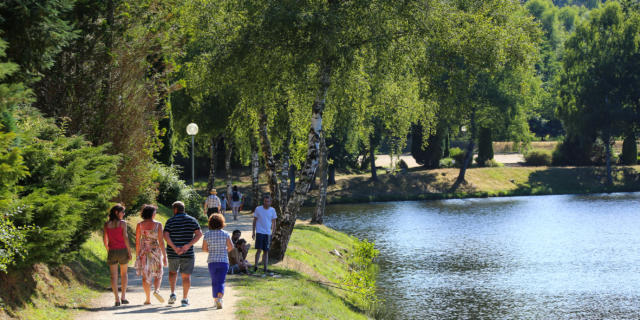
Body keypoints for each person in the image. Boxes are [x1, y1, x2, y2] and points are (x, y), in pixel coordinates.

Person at [164, 201, 202, 307]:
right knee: (186, 276)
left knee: (172, 272)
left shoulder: (170, 221)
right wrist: (188, 245)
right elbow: (199, 234)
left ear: (175, 209)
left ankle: (172, 294)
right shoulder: (192, 220)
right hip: (187, 252)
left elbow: (165, 235)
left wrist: (174, 247)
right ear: (183, 209)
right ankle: (185, 299)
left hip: (173, 253)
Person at [135, 205, 167, 305]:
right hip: (155, 251)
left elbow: (137, 241)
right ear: (152, 214)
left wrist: (137, 255)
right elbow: (161, 241)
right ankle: (156, 290)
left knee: (145, 275)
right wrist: (165, 256)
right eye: (155, 212)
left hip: (144, 251)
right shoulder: (158, 225)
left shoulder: (139, 225)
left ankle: (148, 299)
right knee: (158, 273)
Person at [202, 214, 234, 309]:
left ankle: (216, 299)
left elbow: (204, 248)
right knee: (221, 280)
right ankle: (219, 298)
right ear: (221, 222)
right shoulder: (225, 234)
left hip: (212, 261)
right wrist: (224, 251)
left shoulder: (207, 234)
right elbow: (231, 247)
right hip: (223, 261)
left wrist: (211, 250)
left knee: (214, 280)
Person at [103, 204, 132, 307]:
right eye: (122, 212)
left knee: (113, 276)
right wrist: (129, 251)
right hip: (122, 251)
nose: (124, 214)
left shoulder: (106, 224)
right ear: (116, 212)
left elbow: (105, 240)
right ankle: (123, 297)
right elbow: (126, 238)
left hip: (112, 251)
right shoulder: (123, 223)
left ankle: (116, 299)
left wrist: (109, 250)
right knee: (124, 274)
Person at [252, 194, 277, 274]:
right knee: (259, 250)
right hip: (259, 232)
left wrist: (273, 232)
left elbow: (274, 222)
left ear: (271, 202)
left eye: (268, 201)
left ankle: (265, 268)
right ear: (263, 201)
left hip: (267, 233)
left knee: (266, 251)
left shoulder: (272, 210)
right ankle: (256, 266)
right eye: (265, 201)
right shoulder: (258, 209)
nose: (267, 203)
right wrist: (253, 232)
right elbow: (254, 220)